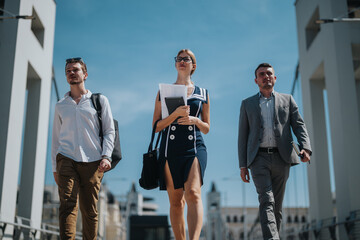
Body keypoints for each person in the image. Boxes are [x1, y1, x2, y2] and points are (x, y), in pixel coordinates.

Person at [238, 63, 312, 239]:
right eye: (262, 74)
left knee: (276, 207)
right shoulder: (247, 104)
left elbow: (299, 126)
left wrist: (306, 148)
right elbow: (242, 136)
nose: (266, 76)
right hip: (258, 159)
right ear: (256, 80)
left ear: (275, 78)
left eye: (269, 73)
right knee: (266, 200)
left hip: (282, 157)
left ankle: (273, 236)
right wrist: (243, 165)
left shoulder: (288, 100)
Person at [51, 57, 115, 240]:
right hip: (66, 158)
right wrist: (55, 168)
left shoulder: (99, 100)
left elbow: (109, 131)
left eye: (75, 69)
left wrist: (106, 156)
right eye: (68, 71)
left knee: (89, 210)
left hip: (93, 160)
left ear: (85, 74)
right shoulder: (60, 105)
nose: (71, 72)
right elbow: (55, 139)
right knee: (67, 206)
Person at [152, 49, 210, 240]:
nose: (182, 61)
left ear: (194, 65)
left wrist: (195, 120)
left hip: (194, 147)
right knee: (176, 201)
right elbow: (156, 127)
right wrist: (175, 115)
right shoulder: (164, 91)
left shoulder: (203, 93)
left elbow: (207, 127)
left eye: (187, 59)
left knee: (193, 193)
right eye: (179, 59)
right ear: (175, 63)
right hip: (170, 148)